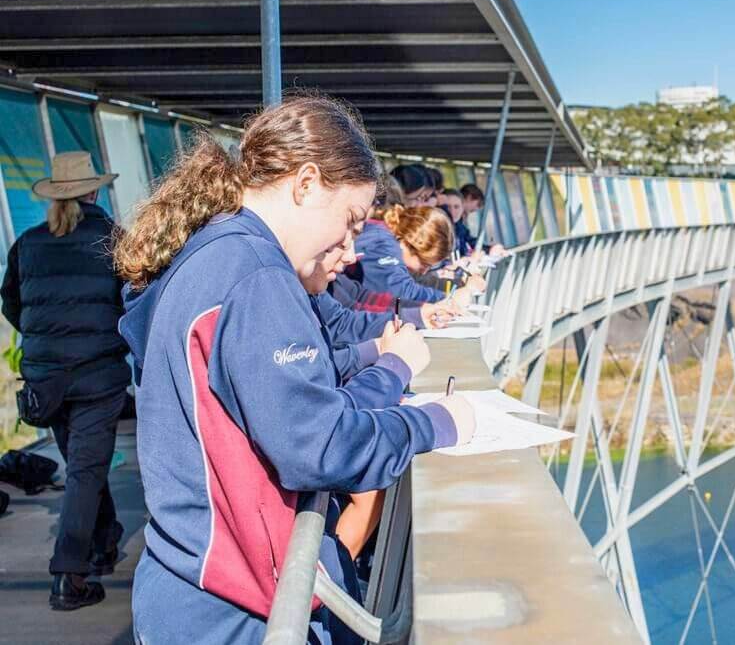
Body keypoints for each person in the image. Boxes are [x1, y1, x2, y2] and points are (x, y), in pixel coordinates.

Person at [113, 96, 475, 645]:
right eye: (350, 221)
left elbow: (290, 408)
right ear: (306, 184)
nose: (351, 250)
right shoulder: (256, 274)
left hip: (186, 588)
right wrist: (439, 424)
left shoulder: (214, 251)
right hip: (233, 606)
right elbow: (318, 445)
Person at [0, 151, 130, 610]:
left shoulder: (28, 244)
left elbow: (11, 305)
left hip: (45, 379)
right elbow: (134, 301)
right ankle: (69, 577)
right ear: (94, 190)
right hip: (97, 375)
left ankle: (105, 540)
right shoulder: (113, 240)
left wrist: (46, 339)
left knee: (83, 463)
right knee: (84, 467)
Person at [355, 205, 473, 304]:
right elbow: (399, 291)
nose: (424, 271)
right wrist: (447, 298)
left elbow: (413, 283)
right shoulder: (382, 244)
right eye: (424, 264)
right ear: (409, 243)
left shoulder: (383, 237)